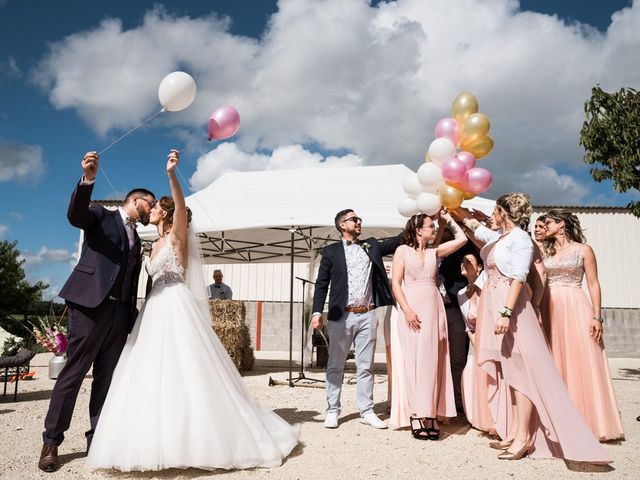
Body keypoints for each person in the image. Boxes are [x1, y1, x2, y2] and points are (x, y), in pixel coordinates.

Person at [87, 150, 298, 471]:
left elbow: (182, 206)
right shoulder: (152, 244)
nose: (153, 208)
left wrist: (172, 174)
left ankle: (198, 439)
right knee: (149, 373)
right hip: (153, 310)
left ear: (169, 215)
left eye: (157, 205)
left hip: (175, 305)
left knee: (185, 369)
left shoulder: (177, 237)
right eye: (154, 204)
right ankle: (154, 437)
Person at [457, 193, 610, 463]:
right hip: (498, 304)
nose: (492, 214)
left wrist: (505, 312)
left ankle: (525, 438)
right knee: (511, 373)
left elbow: (518, 277)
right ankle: (516, 431)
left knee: (522, 374)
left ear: (505, 213)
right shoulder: (501, 238)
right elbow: (476, 228)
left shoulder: (520, 240)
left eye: (495, 210)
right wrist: (452, 211)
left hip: (512, 309)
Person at [38, 151, 155, 473]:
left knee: (107, 378)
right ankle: (51, 441)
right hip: (90, 307)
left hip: (120, 315)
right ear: (135, 200)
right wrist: (88, 179)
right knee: (73, 373)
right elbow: (76, 215)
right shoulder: (103, 216)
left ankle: (98, 438)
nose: (153, 209)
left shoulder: (138, 239)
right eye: (151, 203)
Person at [311, 209, 402, 430]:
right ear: (342, 225)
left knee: (366, 366)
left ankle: (367, 410)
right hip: (341, 316)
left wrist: (423, 216)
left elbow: (399, 240)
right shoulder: (331, 251)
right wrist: (316, 313)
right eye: (354, 219)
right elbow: (322, 284)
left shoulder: (370, 245)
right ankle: (332, 410)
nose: (359, 221)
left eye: (359, 219)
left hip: (368, 314)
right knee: (335, 365)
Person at [541, 209, 624, 441]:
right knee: (554, 359)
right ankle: (557, 420)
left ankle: (587, 420)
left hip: (575, 304)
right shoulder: (545, 251)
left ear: (562, 224)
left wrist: (597, 316)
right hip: (549, 305)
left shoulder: (583, 250)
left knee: (580, 359)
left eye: (548, 222)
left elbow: (593, 283)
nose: (544, 226)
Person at [389, 211, 466, 439]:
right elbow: (395, 284)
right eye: (430, 226)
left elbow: (461, 239)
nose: (433, 229)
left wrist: (448, 220)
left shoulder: (434, 252)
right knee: (414, 362)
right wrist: (407, 310)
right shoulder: (402, 251)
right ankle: (416, 414)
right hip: (412, 307)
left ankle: (430, 413)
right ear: (418, 230)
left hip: (434, 308)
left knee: (433, 362)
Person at [457, 251, 497, 434]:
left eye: (468, 261)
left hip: (494, 338)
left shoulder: (488, 287)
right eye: (462, 261)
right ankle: (480, 418)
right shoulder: (460, 294)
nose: (463, 264)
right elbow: (468, 325)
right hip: (476, 341)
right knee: (471, 371)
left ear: (480, 267)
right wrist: (476, 343)